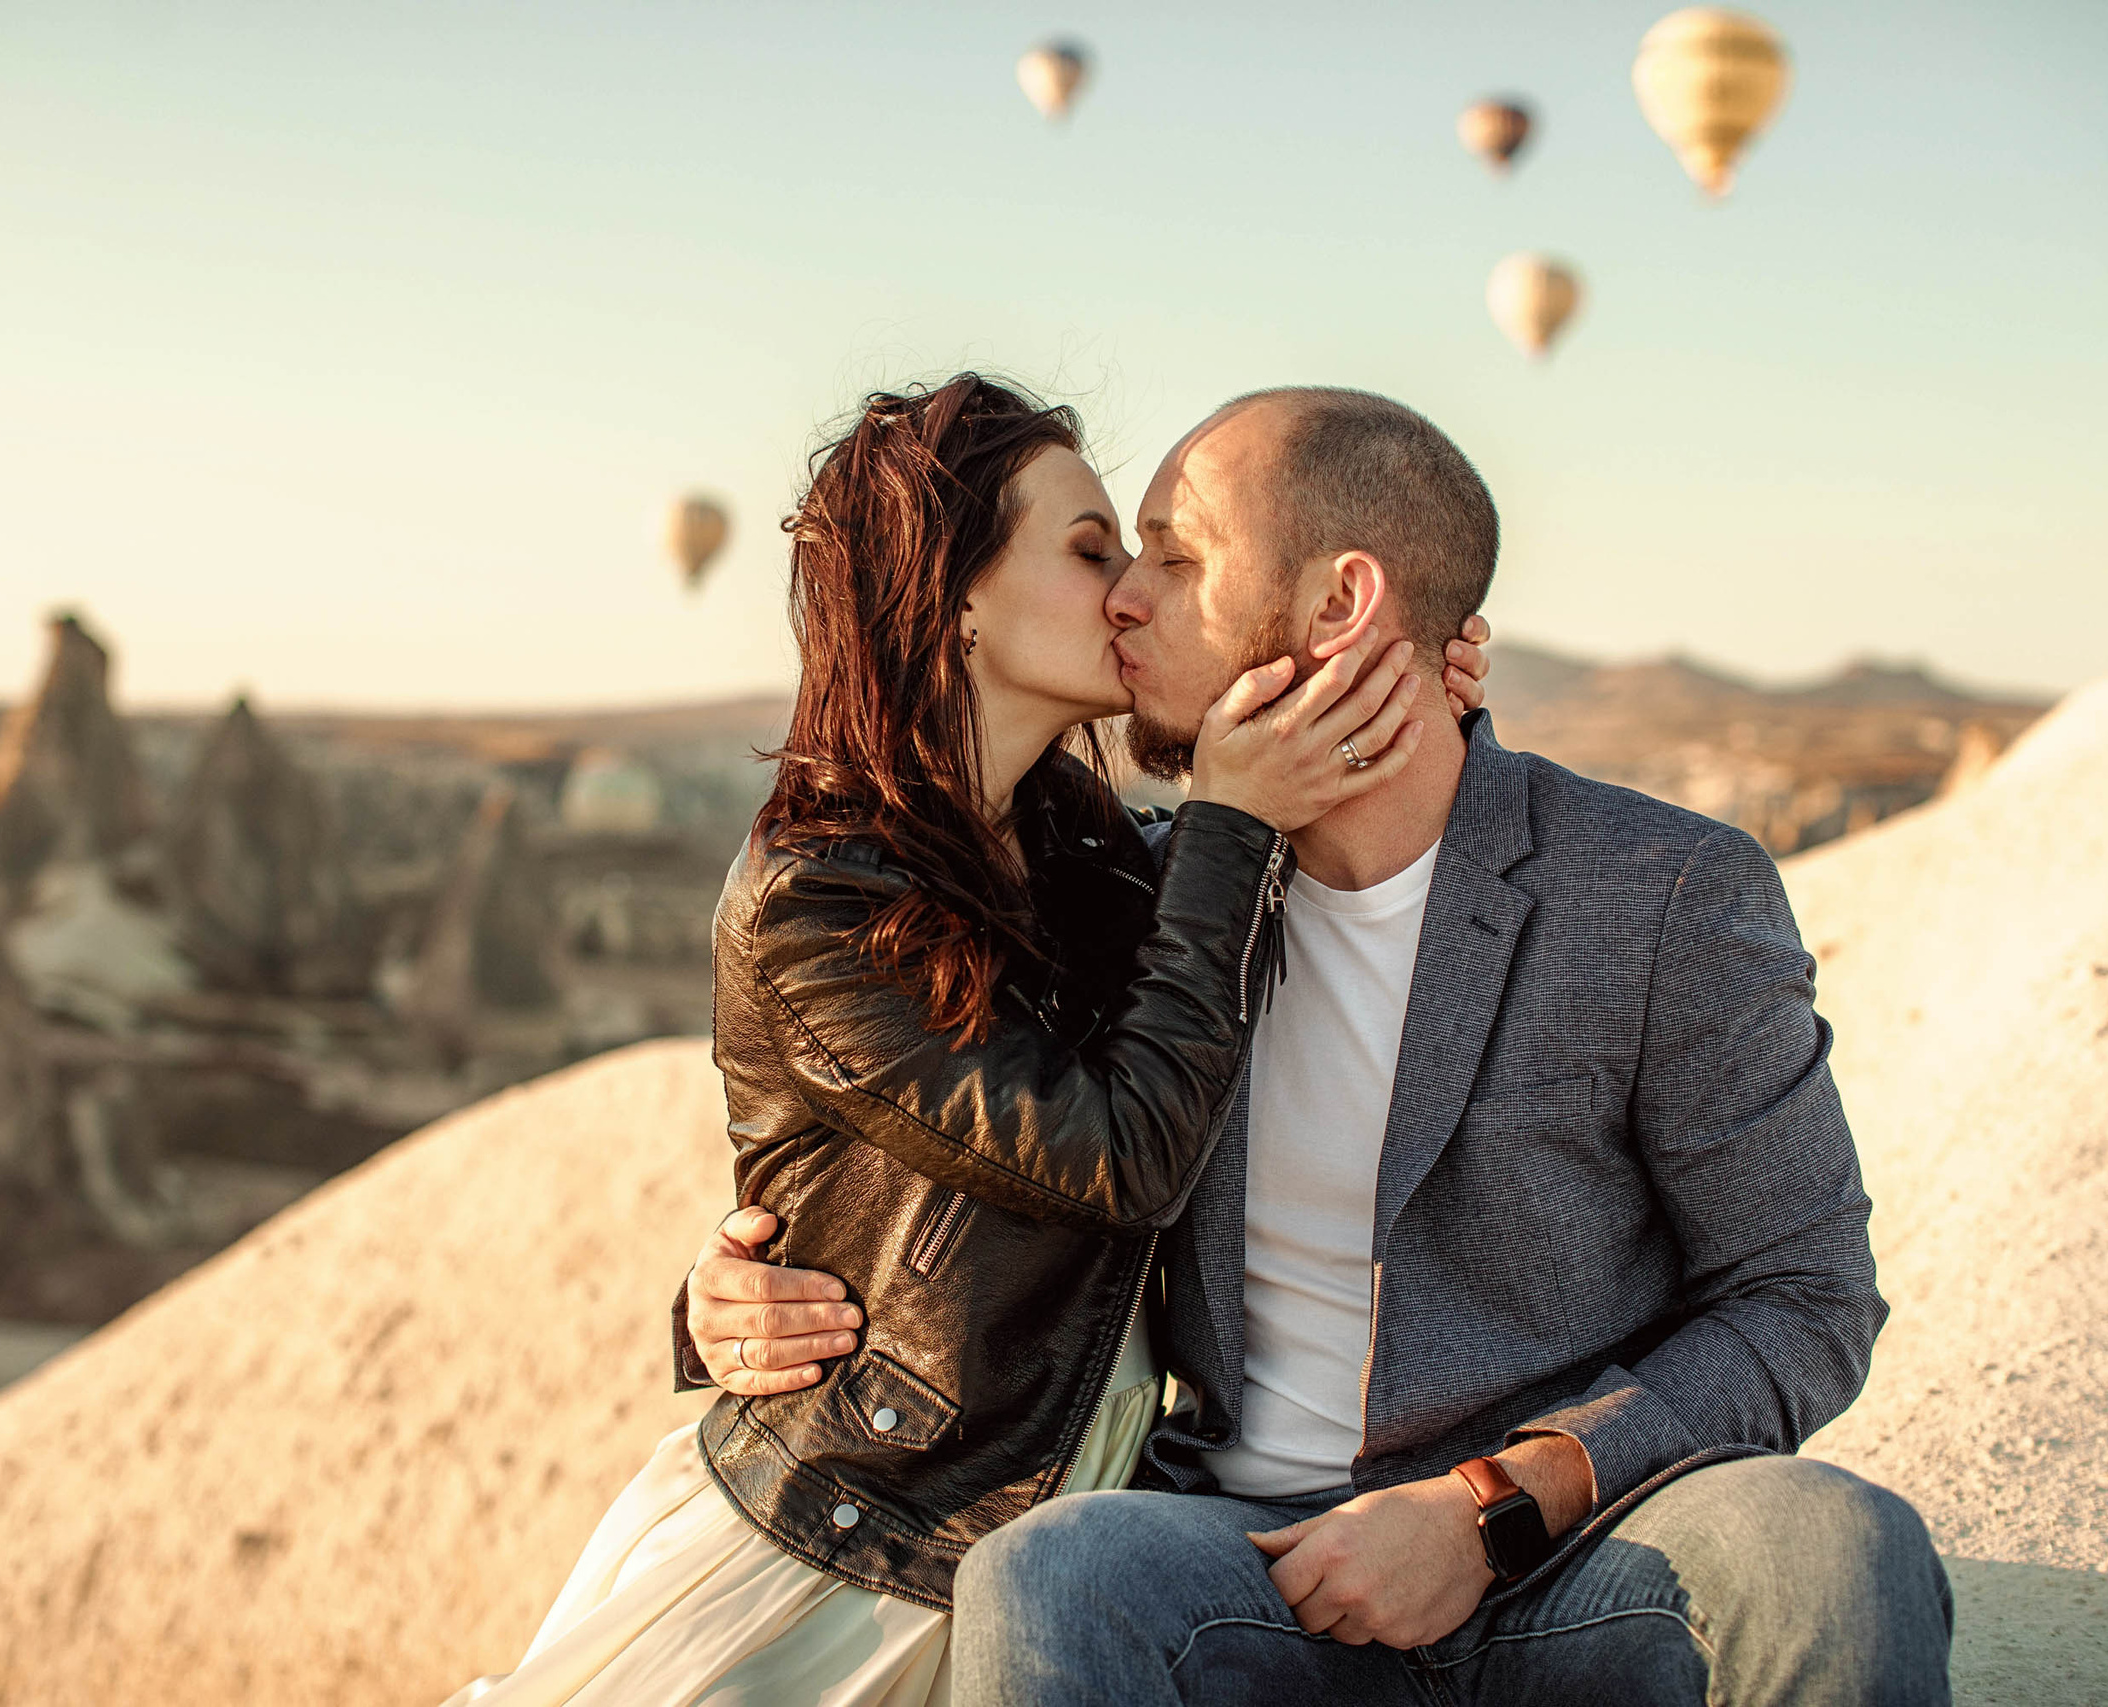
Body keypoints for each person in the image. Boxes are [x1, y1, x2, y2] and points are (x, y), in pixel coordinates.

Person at [684, 387, 1957, 1705]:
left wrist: (1495, 1504)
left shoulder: (1657, 893)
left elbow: (1804, 1299)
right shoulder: (1160, 904)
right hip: (1248, 1567)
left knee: (1838, 1548)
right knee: (1047, 1574)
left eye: (1176, 561)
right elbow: (966, 1137)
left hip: (1581, 1552)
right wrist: (729, 1298)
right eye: (1113, 558)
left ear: (1342, 607)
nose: (1127, 596)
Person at [441, 374, 1494, 1707]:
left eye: (1143, 556)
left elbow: (1287, 882)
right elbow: (1121, 1156)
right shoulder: (817, 903)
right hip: (832, 1565)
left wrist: (1400, 686)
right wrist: (704, 1314)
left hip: (1039, 1554)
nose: (1128, 594)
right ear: (954, 597)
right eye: (1089, 550)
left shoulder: (1087, 856)